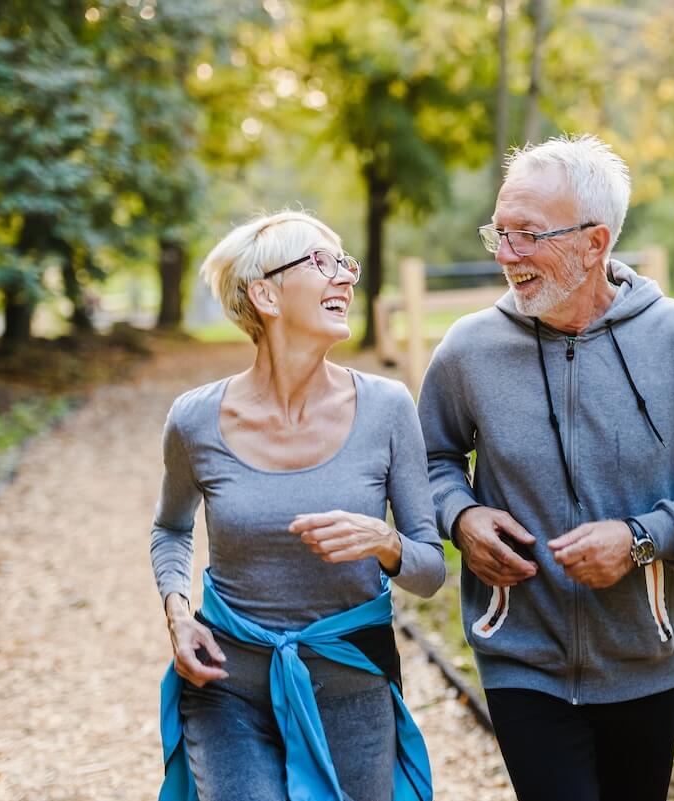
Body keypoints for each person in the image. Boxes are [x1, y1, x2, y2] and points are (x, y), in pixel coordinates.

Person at [418, 134, 674, 801]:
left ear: (595, 242)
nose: (507, 255)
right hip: (520, 654)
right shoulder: (470, 349)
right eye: (500, 233)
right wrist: (461, 517)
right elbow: (429, 459)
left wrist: (640, 540)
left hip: (647, 655)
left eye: (527, 235)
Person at [150, 210, 444, 801]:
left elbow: (431, 570)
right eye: (321, 263)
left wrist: (383, 543)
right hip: (226, 688)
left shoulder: (387, 408)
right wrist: (179, 616)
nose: (345, 279)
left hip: (352, 686)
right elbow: (171, 530)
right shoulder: (195, 419)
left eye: (346, 265)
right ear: (266, 294)